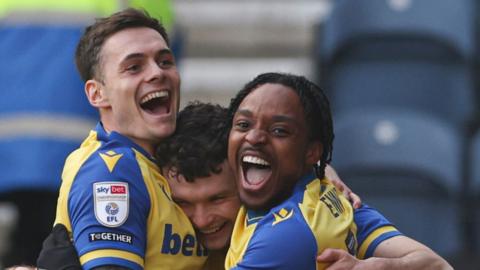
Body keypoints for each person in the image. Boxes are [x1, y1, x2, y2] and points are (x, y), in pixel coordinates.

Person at [224, 72, 452, 269]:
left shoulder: (288, 237)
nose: (253, 137)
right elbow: (438, 265)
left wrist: (382, 266)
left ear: (312, 151)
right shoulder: (333, 198)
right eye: (244, 125)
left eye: (279, 131)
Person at [51, 8, 207, 269]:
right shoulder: (112, 172)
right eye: (134, 67)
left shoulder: (155, 162)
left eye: (165, 61)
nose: (158, 73)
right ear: (97, 94)